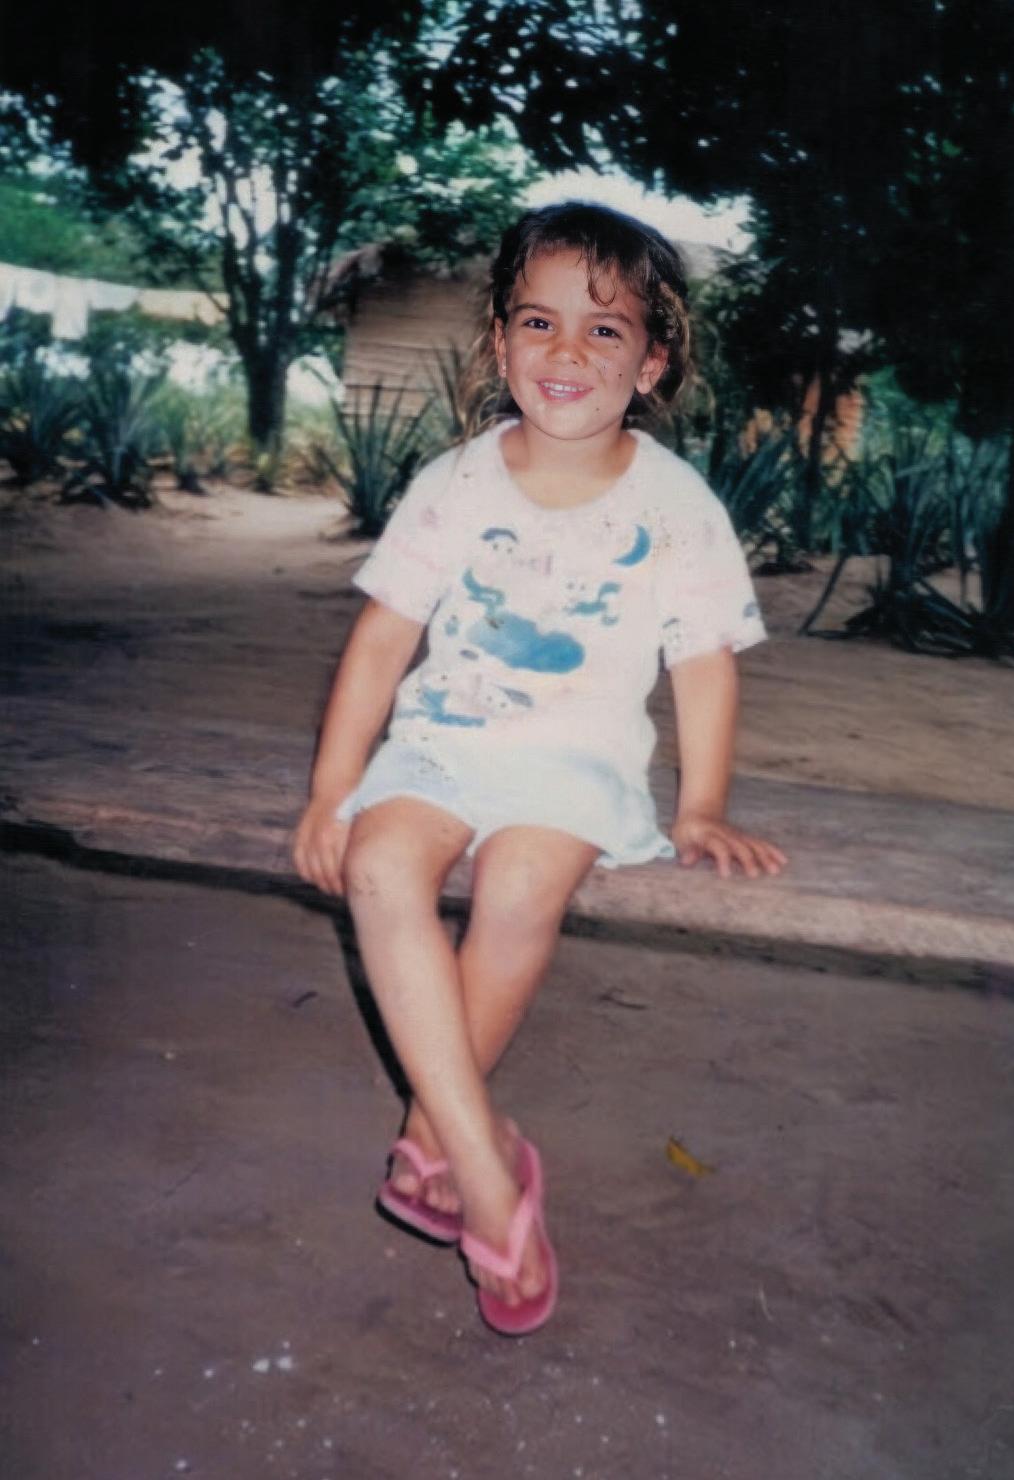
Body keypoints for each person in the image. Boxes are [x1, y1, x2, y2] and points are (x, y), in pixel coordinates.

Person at [293, 201, 786, 1336]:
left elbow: (702, 664)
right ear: (500, 341)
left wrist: (702, 805)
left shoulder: (675, 504)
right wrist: (332, 792)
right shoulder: (457, 480)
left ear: (651, 362)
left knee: (518, 884)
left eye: (603, 329)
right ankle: (486, 1163)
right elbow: (381, 641)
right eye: (538, 321)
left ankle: (435, 1138)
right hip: (439, 744)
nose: (566, 350)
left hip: (576, 759)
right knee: (378, 866)